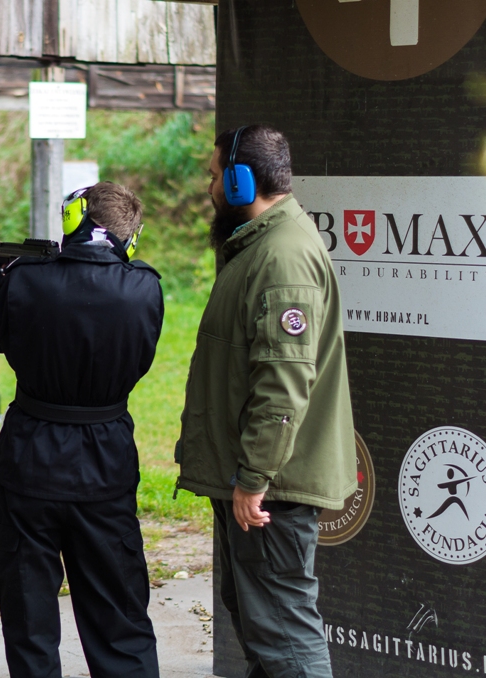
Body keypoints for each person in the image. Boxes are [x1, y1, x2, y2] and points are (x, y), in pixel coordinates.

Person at [0, 182, 164, 678]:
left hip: (31, 463)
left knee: (29, 621)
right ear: (129, 237)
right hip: (107, 463)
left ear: (74, 220)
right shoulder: (144, 287)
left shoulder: (25, 280)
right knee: (119, 618)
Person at [174, 125, 357, 678]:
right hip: (259, 479)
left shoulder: (281, 258)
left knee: (284, 635)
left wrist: (254, 477)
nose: (209, 187)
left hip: (270, 485)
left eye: (214, 176)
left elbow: (283, 383)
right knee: (263, 626)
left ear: (240, 182)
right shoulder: (263, 246)